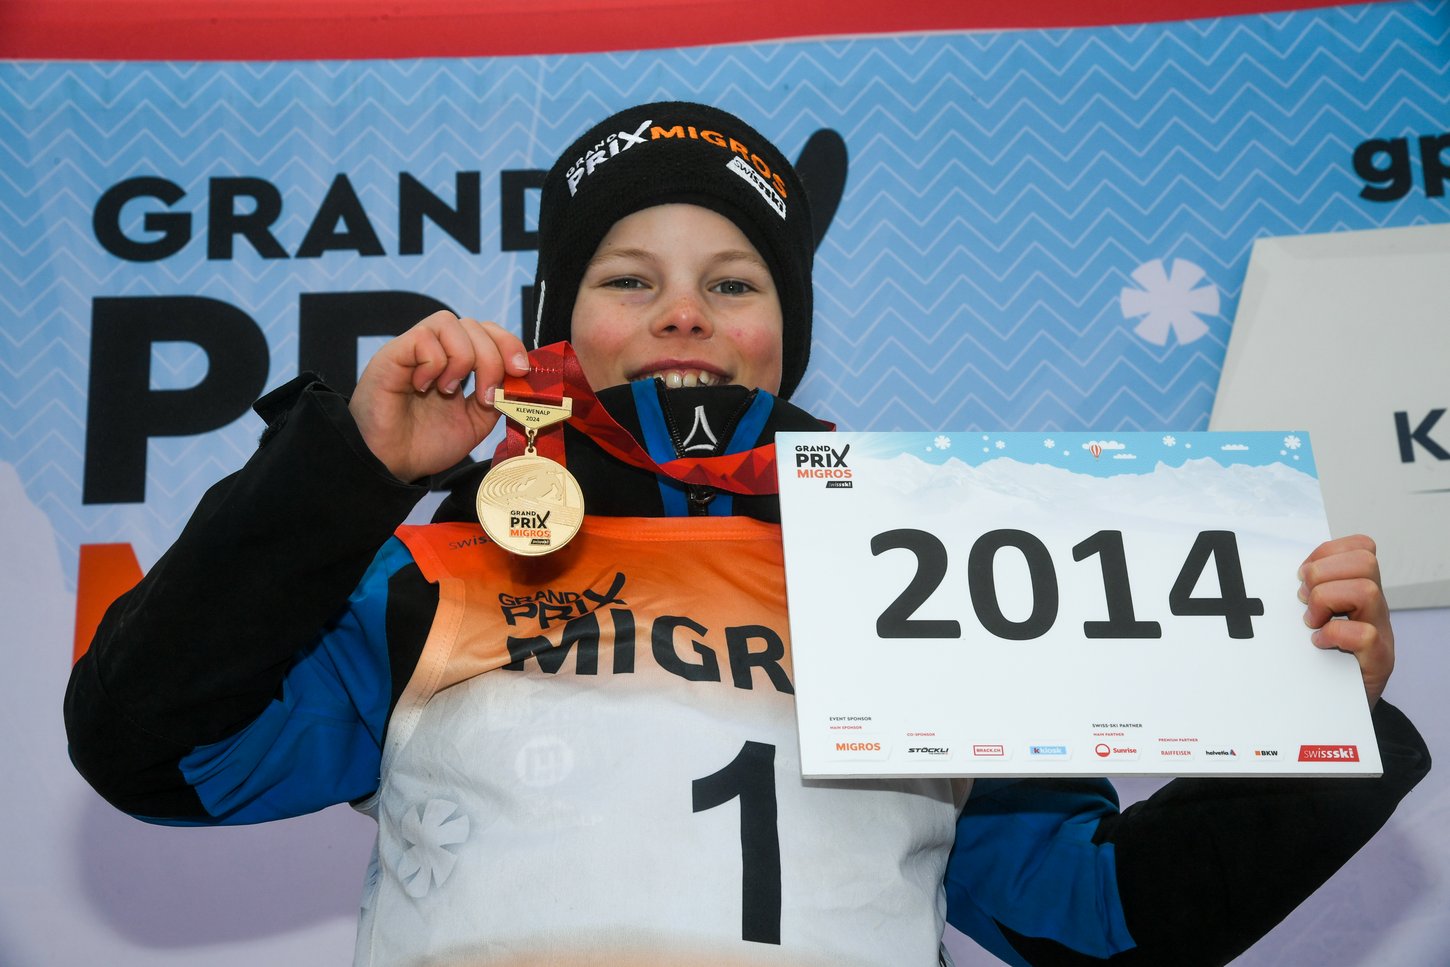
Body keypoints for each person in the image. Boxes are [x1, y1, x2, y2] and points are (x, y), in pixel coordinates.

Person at [66, 101, 1428, 966]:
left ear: (785, 327)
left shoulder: (929, 569)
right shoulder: (437, 563)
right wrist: (343, 473)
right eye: (627, 278)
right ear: (557, 318)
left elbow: (1093, 919)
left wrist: (1318, 717)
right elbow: (152, 745)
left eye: (733, 281)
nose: (684, 312)